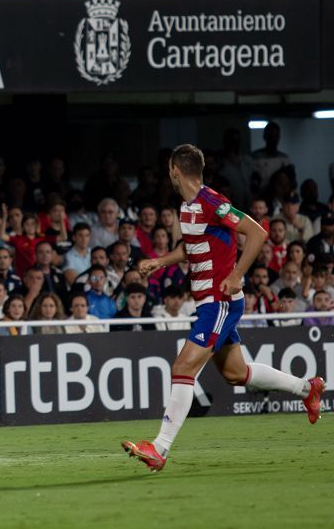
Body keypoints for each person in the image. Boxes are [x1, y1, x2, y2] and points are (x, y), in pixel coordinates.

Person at [124, 143, 323, 472]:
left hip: (219, 302)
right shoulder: (188, 207)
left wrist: (236, 275)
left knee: (182, 368)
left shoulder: (212, 202)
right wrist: (161, 261)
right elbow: (193, 249)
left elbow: (257, 234)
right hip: (209, 302)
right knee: (236, 373)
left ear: (175, 170)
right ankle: (307, 388)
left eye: (168, 169)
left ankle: (159, 448)